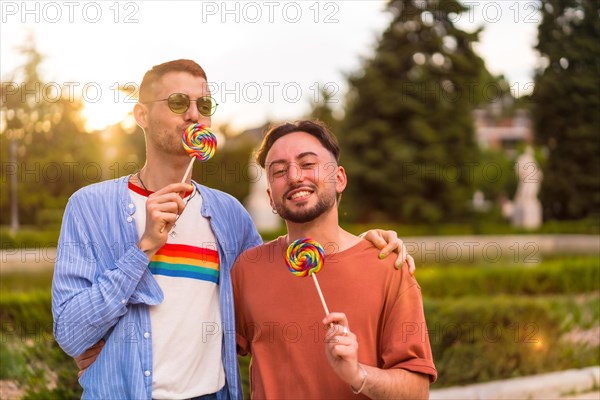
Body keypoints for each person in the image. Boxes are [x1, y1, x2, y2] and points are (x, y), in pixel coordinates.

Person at [52, 59, 413, 399]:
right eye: (178, 102)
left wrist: (360, 246)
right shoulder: (90, 207)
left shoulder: (229, 215)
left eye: (204, 105)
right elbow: (70, 334)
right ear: (142, 115)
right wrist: (144, 247)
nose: (194, 114)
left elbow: (276, 279)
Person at [232, 120, 437, 399]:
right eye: (279, 171)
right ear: (270, 197)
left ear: (339, 179)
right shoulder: (248, 269)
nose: (294, 176)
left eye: (307, 164)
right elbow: (204, 352)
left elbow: (417, 391)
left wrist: (357, 374)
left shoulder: (389, 266)